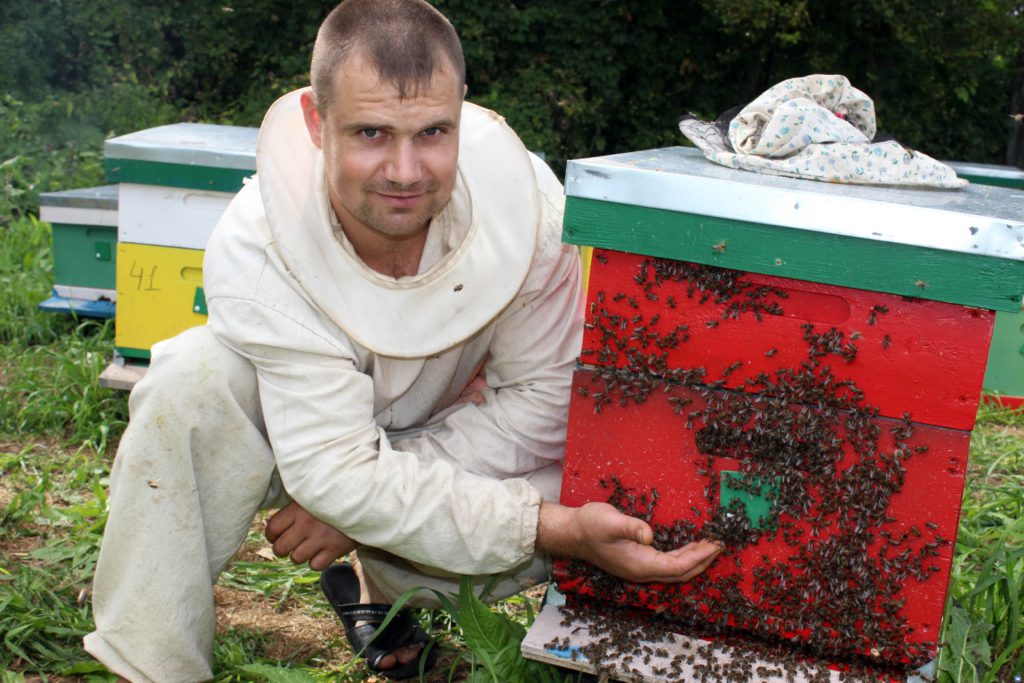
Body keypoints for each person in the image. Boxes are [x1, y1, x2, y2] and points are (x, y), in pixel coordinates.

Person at [83, 1, 721, 680]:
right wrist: (548, 527)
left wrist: (356, 508)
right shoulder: (257, 243)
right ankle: (149, 659)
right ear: (315, 123)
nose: (405, 170)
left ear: (463, 113)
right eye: (371, 133)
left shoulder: (528, 212)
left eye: (432, 132)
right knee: (190, 380)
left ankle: (379, 586)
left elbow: (541, 406)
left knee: (598, 465)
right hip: (299, 437)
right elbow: (331, 464)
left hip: (453, 435)